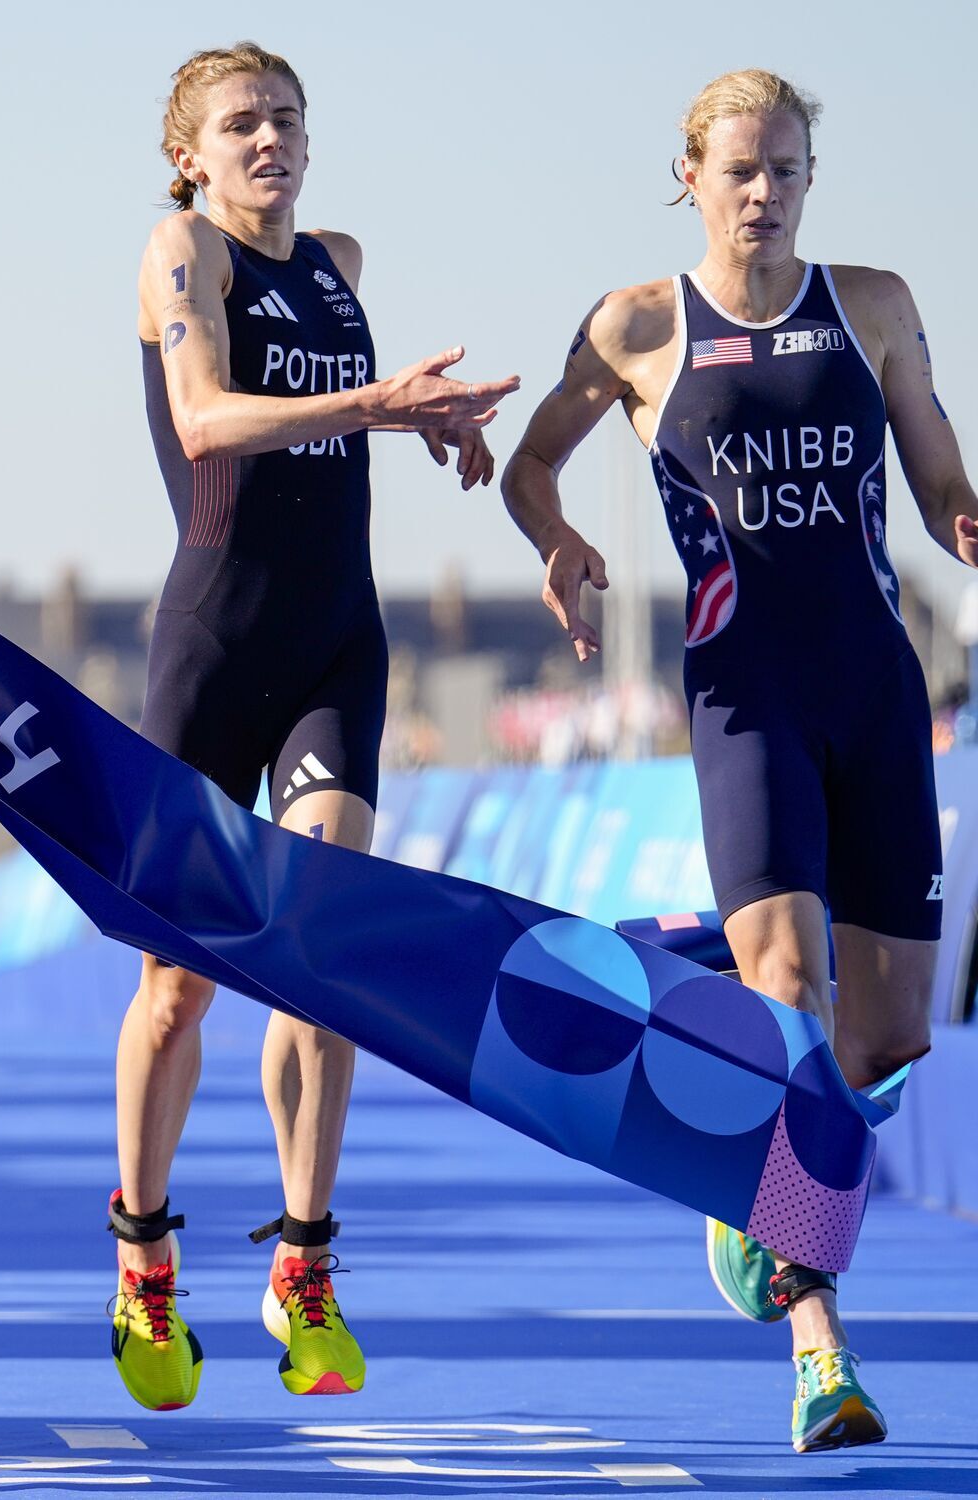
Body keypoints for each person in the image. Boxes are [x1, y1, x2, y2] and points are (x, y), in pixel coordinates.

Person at [501, 68, 967, 1453]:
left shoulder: (871, 302)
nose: (765, 195)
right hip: (743, 697)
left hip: (877, 694)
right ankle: (819, 1351)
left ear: (811, 179)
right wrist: (563, 545)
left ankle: (734, 1118)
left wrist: (963, 512)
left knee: (886, 1036)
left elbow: (938, 461)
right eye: (740, 172)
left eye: (788, 171)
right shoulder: (640, 325)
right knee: (790, 996)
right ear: (691, 178)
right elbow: (535, 466)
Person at [112, 41, 518, 1411]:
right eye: (240, 124)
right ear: (191, 152)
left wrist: (426, 431)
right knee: (179, 988)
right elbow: (207, 417)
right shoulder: (183, 252)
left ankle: (303, 1258)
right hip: (215, 652)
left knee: (321, 954)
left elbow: (338, 423)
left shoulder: (334, 256)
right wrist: (380, 402)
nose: (269, 139)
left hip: (338, 644)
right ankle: (146, 1255)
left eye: (286, 117)